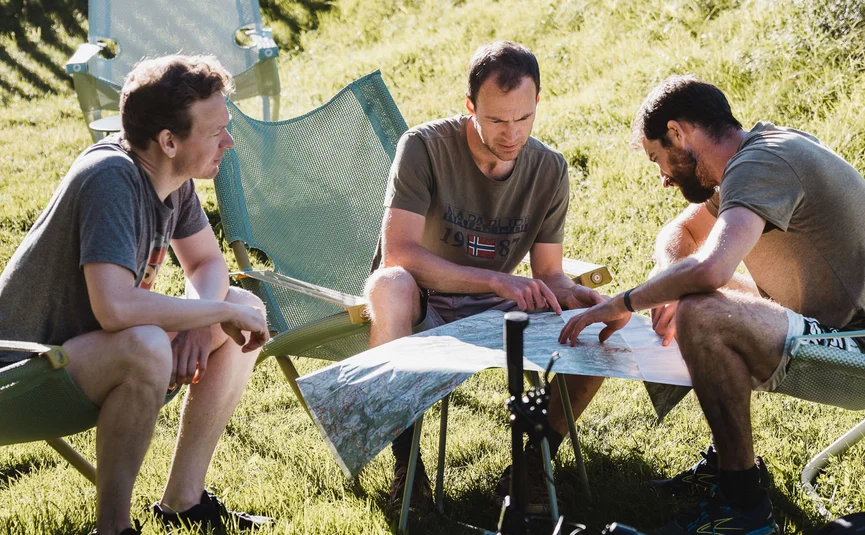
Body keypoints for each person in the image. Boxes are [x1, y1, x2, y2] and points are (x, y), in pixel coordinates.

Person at [559, 74, 865, 534]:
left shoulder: (763, 163)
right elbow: (677, 234)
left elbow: (711, 270)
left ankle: (743, 512)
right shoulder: (747, 159)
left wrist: (626, 302)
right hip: (826, 322)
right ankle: (729, 467)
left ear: (678, 133)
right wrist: (668, 281)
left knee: (703, 309)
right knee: (694, 299)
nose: (663, 178)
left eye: (658, 158)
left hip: (854, 340)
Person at [0, 55, 273, 535]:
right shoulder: (112, 179)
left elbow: (208, 263)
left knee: (243, 305)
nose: (228, 141)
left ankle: (184, 502)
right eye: (215, 132)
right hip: (22, 378)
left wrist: (199, 319)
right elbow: (116, 308)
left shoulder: (173, 180)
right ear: (169, 141)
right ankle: (113, 529)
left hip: (78, 361)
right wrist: (205, 314)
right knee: (152, 340)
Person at [363, 41, 626, 514]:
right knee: (389, 285)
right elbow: (398, 254)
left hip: (492, 308)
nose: (512, 134)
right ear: (470, 108)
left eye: (523, 118)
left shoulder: (550, 168)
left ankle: (530, 466)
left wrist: (588, 298)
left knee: (588, 323)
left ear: (538, 102)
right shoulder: (423, 147)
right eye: (498, 121)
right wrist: (497, 282)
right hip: (423, 299)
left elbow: (548, 274)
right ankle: (408, 470)